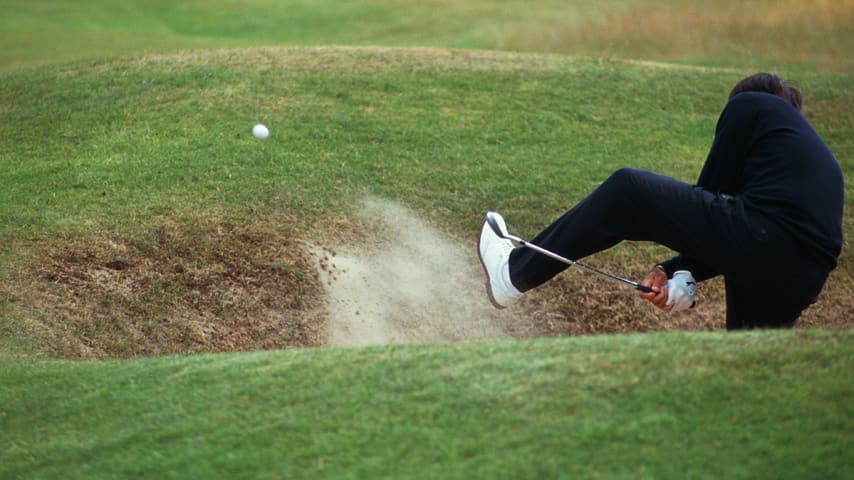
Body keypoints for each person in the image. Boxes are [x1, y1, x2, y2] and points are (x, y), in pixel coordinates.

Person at [478, 73, 844, 329]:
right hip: (802, 279)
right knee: (751, 365)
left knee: (627, 190)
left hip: (765, 238)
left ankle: (512, 274)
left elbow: (710, 200)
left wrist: (684, 269)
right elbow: (735, 232)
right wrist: (677, 272)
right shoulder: (809, 161)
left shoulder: (754, 103)